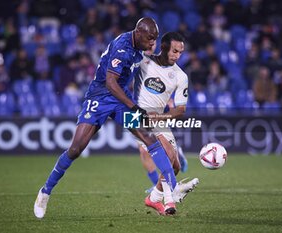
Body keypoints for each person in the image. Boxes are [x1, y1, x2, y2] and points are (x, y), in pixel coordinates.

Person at [34, 17, 180, 219]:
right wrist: (135, 107)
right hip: (101, 97)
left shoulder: (139, 46)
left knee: (149, 138)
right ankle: (45, 191)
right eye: (150, 39)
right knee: (76, 149)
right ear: (138, 33)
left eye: (155, 39)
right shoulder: (123, 47)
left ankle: (169, 192)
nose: (152, 43)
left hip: (120, 101)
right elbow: (111, 83)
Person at [134, 32, 199, 215]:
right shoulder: (143, 62)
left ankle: (153, 198)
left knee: (175, 167)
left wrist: (160, 118)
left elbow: (180, 110)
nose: (178, 56)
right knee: (168, 154)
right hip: (138, 117)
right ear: (163, 47)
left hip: (159, 120)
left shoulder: (180, 76)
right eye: (175, 51)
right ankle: (170, 201)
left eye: (181, 52)